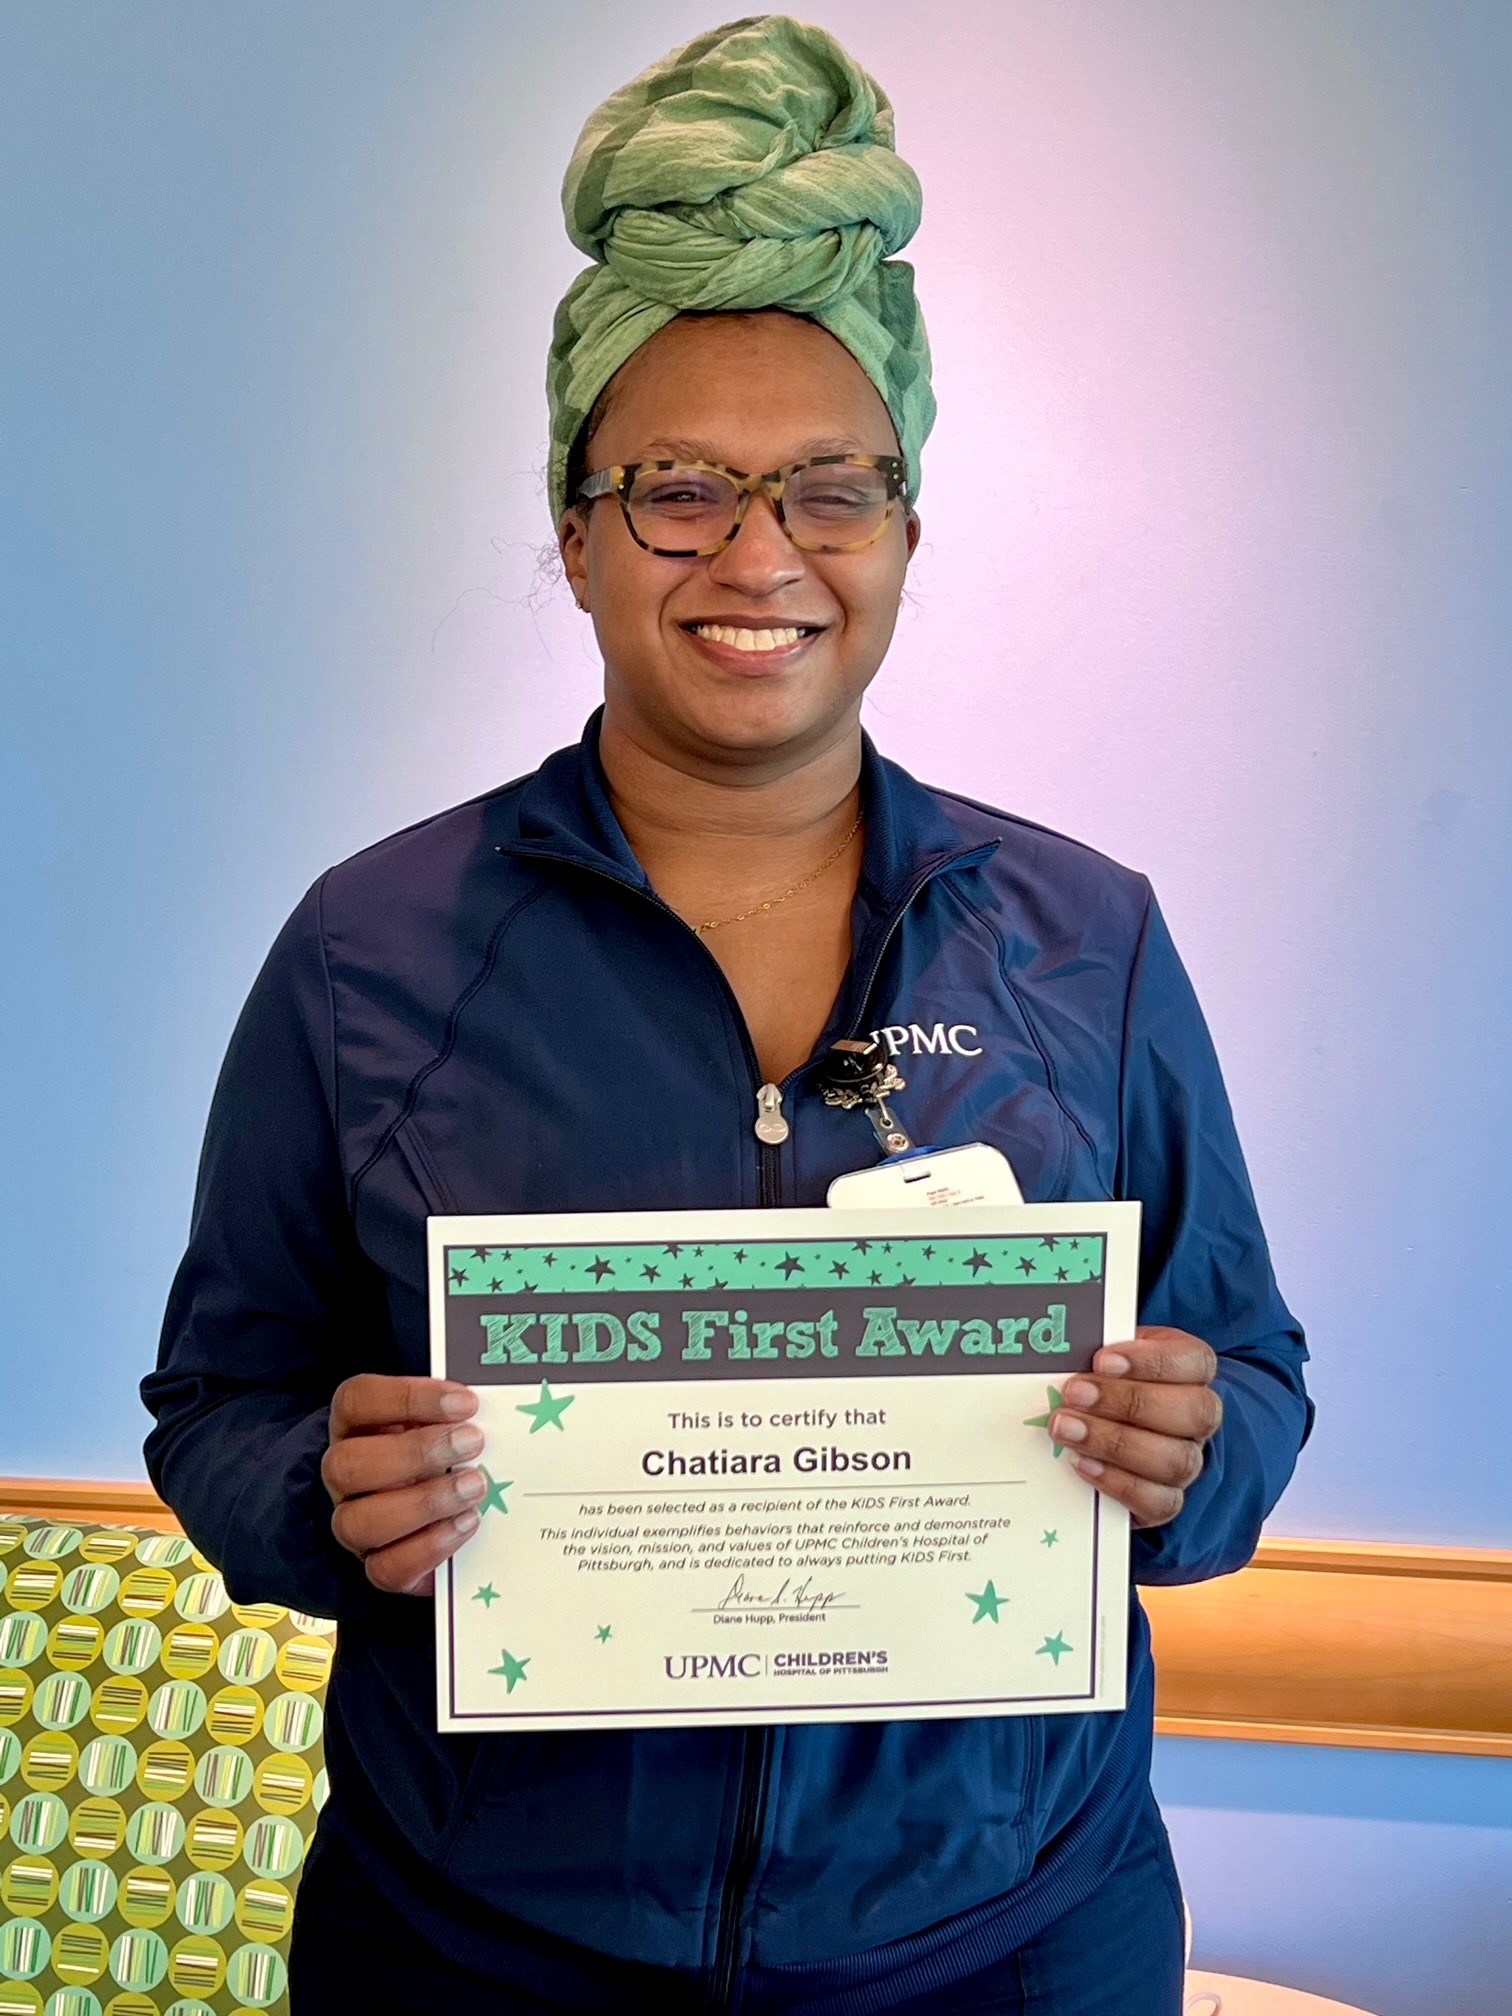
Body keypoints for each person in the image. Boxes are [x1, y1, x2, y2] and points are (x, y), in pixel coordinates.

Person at [143, 17, 1311, 2014]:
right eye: (679, 489)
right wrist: (320, 1493)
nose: (760, 555)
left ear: (906, 534)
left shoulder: (1085, 939)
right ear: (577, 534)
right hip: (480, 1960)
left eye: (830, 490)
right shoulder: (369, 951)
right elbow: (219, 1405)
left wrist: (1192, 1452)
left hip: (1005, 1947)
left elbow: (1257, 1383)